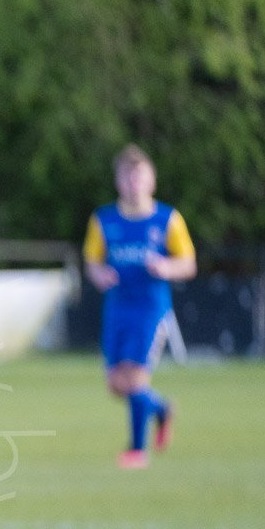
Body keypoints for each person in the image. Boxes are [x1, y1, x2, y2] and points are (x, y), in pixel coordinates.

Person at [83, 144, 197, 469]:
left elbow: (188, 263)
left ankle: (137, 450)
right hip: (117, 309)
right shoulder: (103, 220)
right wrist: (99, 274)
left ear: (152, 181)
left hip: (151, 310)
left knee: (134, 379)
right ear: (119, 181)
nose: (134, 182)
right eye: (128, 176)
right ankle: (161, 410)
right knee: (115, 385)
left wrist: (166, 267)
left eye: (140, 175)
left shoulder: (167, 219)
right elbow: (92, 260)